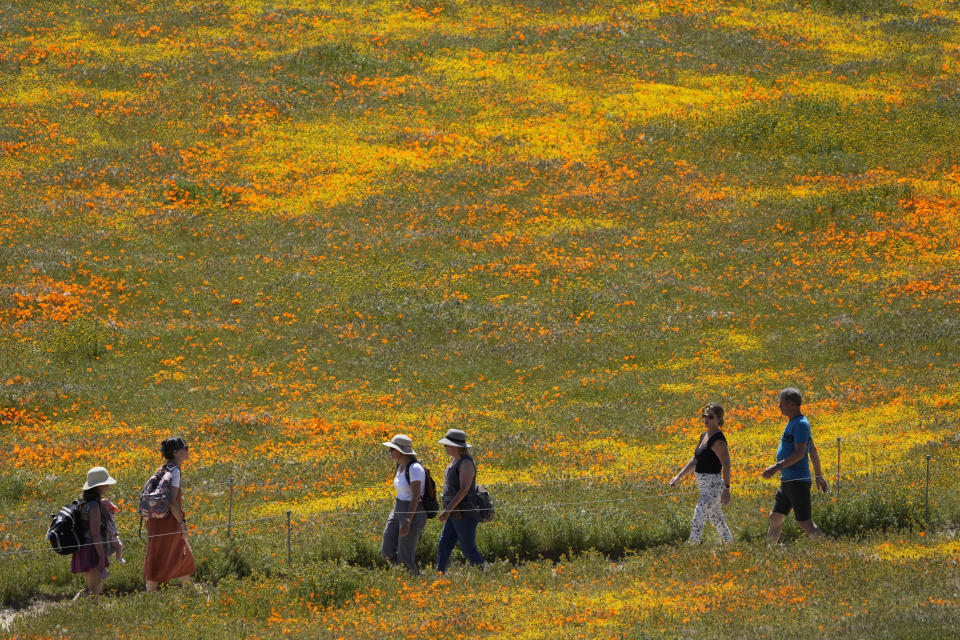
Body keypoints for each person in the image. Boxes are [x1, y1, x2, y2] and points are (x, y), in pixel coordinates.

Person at [761, 388, 829, 544]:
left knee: (805, 522)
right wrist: (819, 475)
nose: (779, 406)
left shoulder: (800, 424)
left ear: (791, 404)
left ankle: (828, 549)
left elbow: (800, 453)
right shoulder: (794, 423)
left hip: (798, 481)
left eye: (782, 402)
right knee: (775, 517)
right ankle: (768, 553)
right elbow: (812, 450)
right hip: (788, 481)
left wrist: (776, 467)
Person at [669, 403, 734, 544]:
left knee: (698, 516)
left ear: (719, 419)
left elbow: (727, 464)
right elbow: (695, 460)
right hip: (704, 487)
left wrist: (726, 489)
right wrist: (678, 477)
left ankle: (692, 546)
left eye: (710, 416)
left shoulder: (718, 440)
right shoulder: (704, 435)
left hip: (714, 487)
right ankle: (731, 545)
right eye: (704, 415)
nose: (706, 419)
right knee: (717, 520)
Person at [144, 436, 196, 592]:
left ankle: (188, 590)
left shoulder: (162, 469)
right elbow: (172, 500)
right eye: (184, 448)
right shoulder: (175, 471)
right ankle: (150, 594)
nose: (187, 450)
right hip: (169, 520)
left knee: (181, 552)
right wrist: (182, 522)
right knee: (162, 555)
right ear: (176, 452)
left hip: (155, 519)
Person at [435, 429, 485, 573]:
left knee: (467, 548)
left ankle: (484, 572)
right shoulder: (455, 461)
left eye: (447, 445)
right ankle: (439, 575)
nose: (445, 447)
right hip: (454, 512)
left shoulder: (466, 463)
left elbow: (463, 490)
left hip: (465, 513)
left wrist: (447, 510)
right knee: (444, 545)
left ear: (457, 446)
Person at [380, 434, 428, 574]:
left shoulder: (415, 469)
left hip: (412, 511)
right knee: (387, 550)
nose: (390, 452)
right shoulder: (400, 466)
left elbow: (415, 497)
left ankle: (411, 579)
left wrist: (407, 520)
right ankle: (402, 575)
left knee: (405, 554)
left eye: (392, 449)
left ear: (400, 451)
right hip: (398, 508)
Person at [70, 466, 117, 597]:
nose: (107, 485)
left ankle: (81, 610)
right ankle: (76, 611)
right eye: (104, 483)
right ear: (96, 486)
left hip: (84, 548)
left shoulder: (83, 502)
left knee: (95, 586)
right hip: (92, 550)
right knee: (94, 589)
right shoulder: (94, 506)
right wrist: (101, 556)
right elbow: (95, 533)